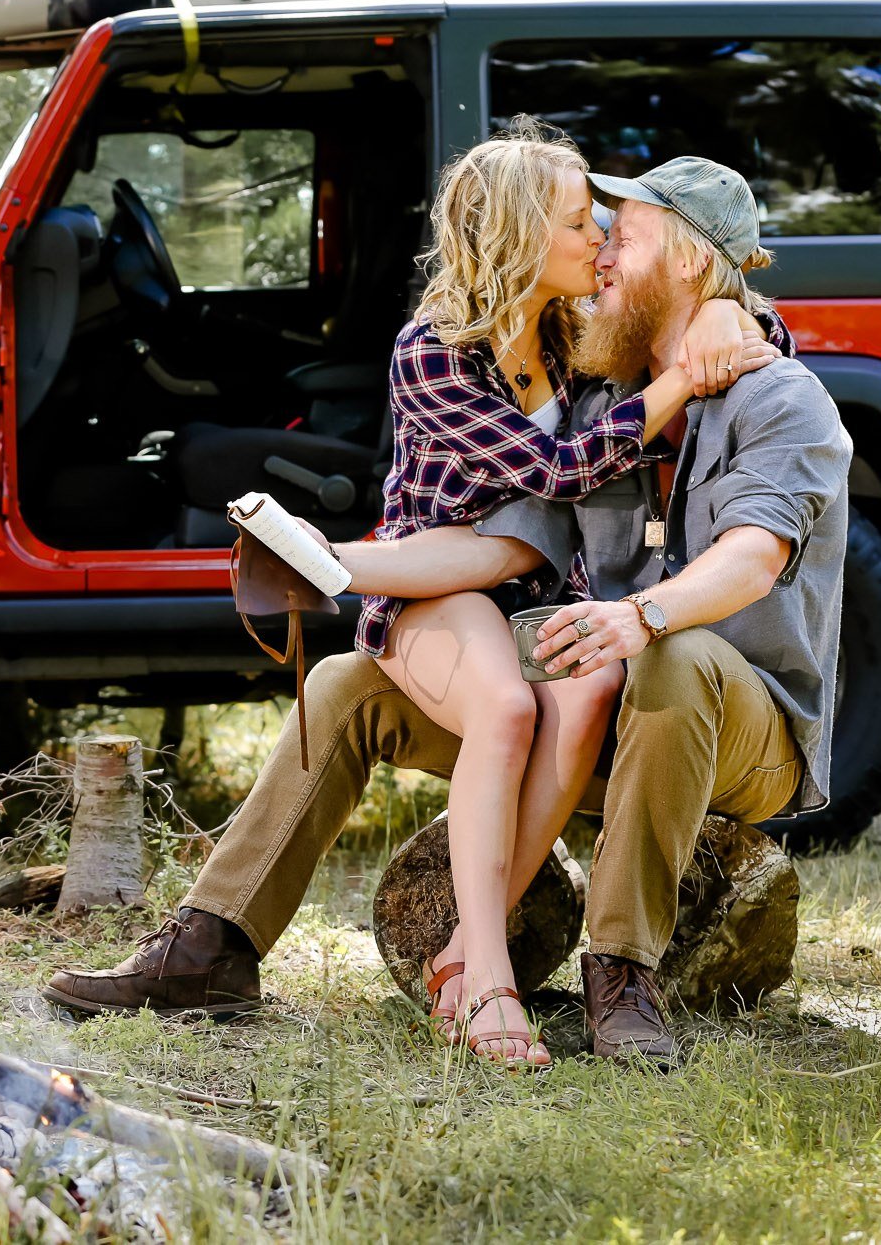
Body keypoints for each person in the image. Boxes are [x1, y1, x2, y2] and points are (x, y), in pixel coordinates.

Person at [43, 154, 852, 1070]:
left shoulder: (780, 397)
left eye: (623, 237)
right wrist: (331, 562)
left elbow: (753, 556)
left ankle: (620, 972)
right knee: (348, 684)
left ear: (692, 262)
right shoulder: (599, 394)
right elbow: (509, 546)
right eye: (593, 229)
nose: (603, 251)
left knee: (670, 655)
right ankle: (210, 946)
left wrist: (644, 613)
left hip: (741, 732)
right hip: (608, 712)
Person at [235, 119, 782, 1069]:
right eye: (579, 222)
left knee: (588, 685)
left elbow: (720, 317)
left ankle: (457, 951)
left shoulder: (575, 330)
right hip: (437, 587)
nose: (599, 239)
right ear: (522, 235)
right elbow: (556, 469)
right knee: (504, 706)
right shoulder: (433, 351)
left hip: (533, 591)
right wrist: (676, 388)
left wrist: (737, 323)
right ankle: (487, 974)